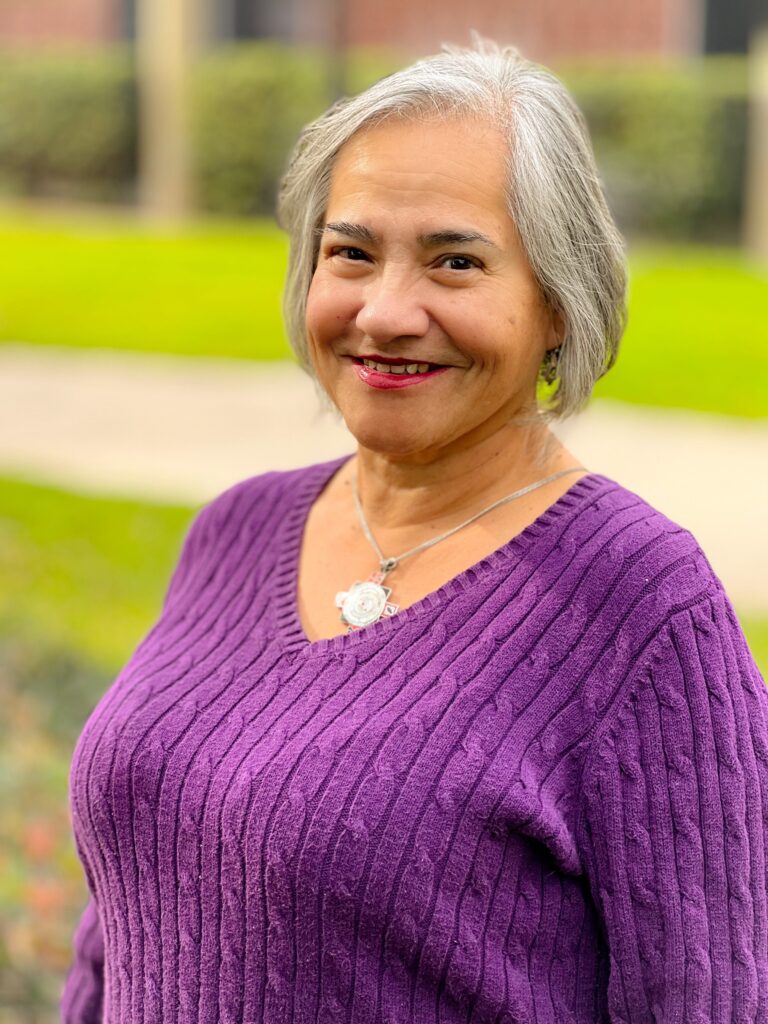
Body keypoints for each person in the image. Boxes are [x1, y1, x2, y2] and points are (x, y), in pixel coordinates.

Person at [61, 39, 768, 1024]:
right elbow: (125, 924)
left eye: (455, 261)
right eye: (352, 252)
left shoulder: (642, 606)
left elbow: (711, 1002)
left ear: (557, 303)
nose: (386, 312)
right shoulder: (236, 528)